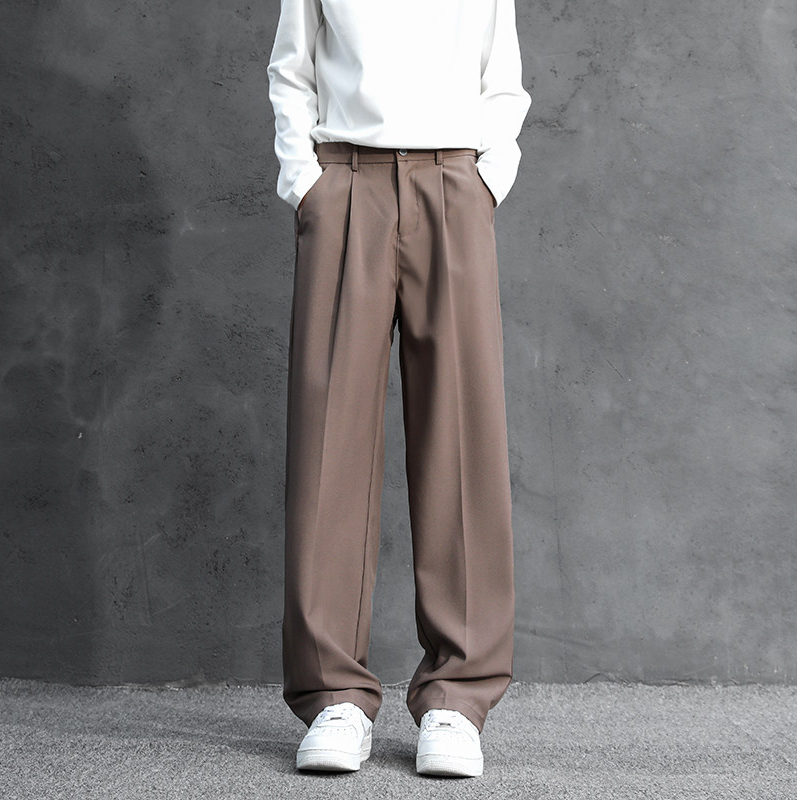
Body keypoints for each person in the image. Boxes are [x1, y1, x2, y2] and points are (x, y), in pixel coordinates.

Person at [267, 0, 530, 778]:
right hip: (345, 179)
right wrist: (305, 181)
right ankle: (333, 696)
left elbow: (501, 75)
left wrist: (485, 179)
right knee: (328, 436)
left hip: (453, 180)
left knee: (463, 438)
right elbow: (291, 66)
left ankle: (458, 697)